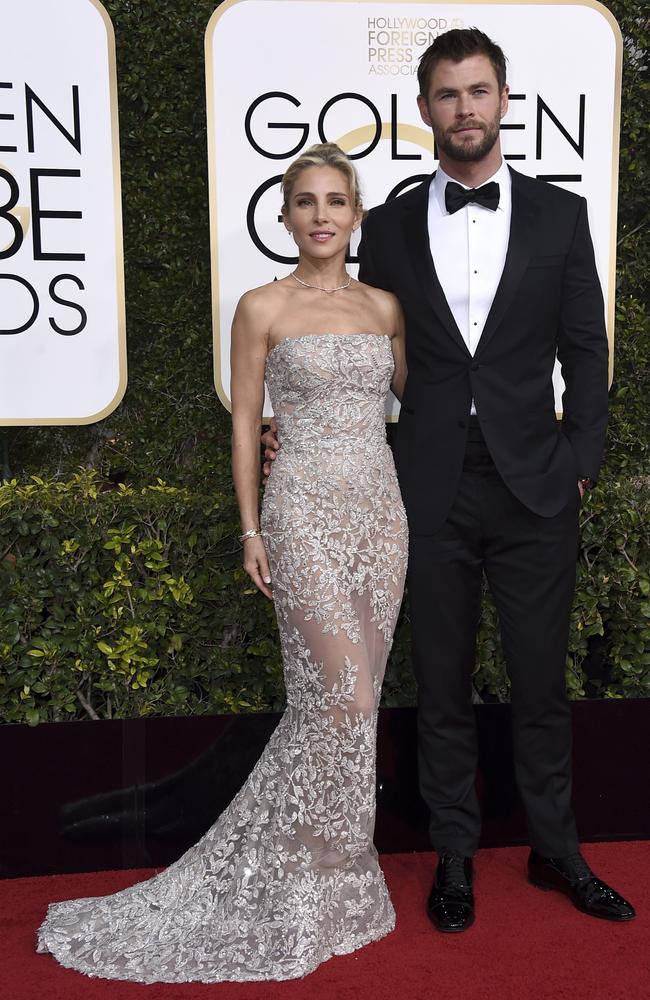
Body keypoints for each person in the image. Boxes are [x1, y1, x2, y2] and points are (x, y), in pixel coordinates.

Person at [264, 29, 636, 933]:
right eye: (447, 94)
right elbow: (341, 333)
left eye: (478, 91)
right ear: (425, 109)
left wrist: (581, 460)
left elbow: (588, 350)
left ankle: (557, 850)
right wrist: (296, 425)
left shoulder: (559, 215)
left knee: (542, 683)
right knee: (440, 684)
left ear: (504, 99)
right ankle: (456, 858)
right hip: (423, 487)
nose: (464, 108)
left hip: (536, 486)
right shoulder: (384, 227)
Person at [36, 143, 408, 982]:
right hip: (303, 513)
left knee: (357, 705)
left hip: (382, 518)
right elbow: (246, 423)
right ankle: (290, 886)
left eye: (335, 201)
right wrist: (252, 527)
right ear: (284, 215)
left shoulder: (387, 307)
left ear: (355, 214)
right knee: (339, 697)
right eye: (304, 201)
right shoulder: (260, 306)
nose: (320, 215)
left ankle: (340, 882)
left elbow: (415, 403)